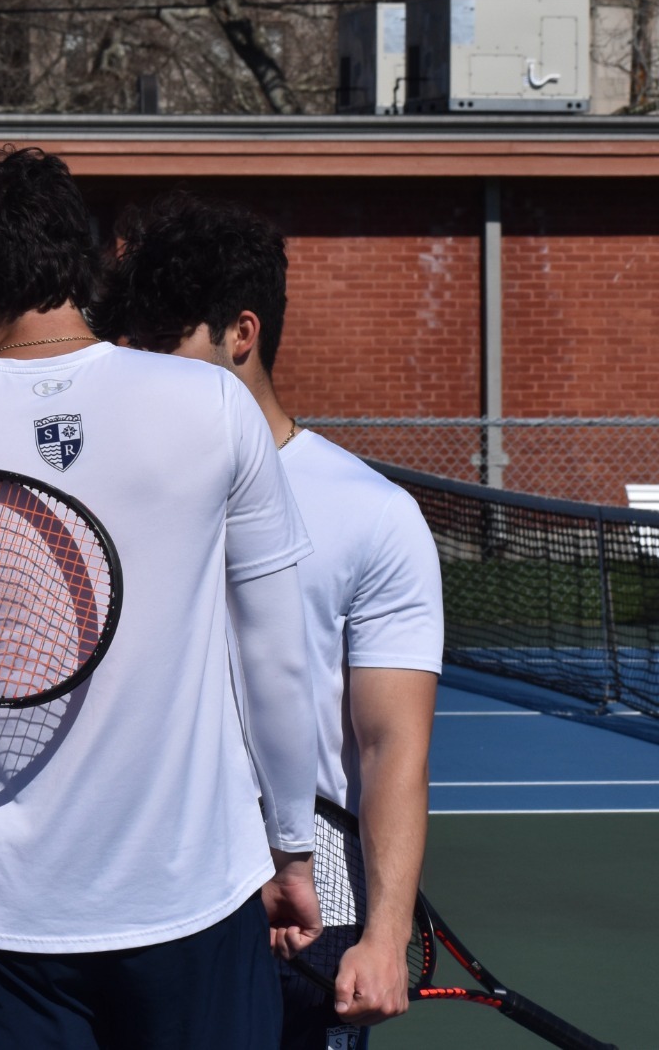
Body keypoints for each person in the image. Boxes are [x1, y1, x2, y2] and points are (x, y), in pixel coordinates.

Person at [0, 147, 322, 1050]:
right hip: (196, 891)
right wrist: (292, 848)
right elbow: (276, 656)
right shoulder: (215, 404)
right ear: (84, 263)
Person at [95, 193, 443, 1049]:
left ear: (240, 334)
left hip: (311, 908)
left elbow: (391, 745)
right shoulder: (107, 492)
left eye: (165, 340)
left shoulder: (374, 514)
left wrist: (384, 936)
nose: (139, 363)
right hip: (148, 897)